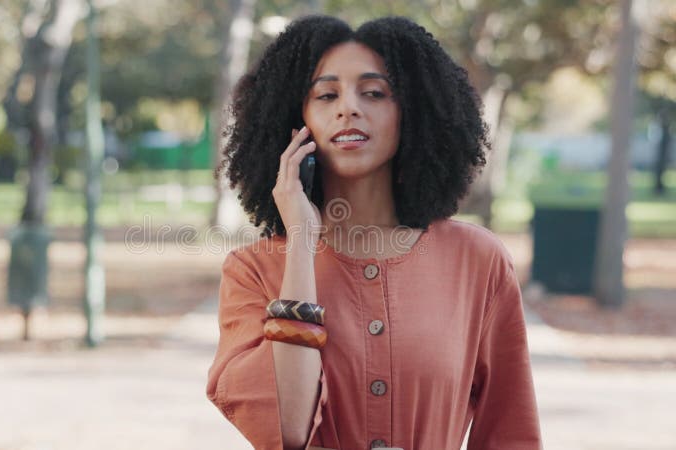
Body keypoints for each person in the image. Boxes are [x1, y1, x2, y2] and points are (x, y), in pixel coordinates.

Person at [206, 14, 542, 450]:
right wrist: (302, 244)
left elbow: (511, 434)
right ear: (294, 122)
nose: (349, 108)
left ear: (412, 113)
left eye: (374, 93)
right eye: (327, 95)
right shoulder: (253, 271)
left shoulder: (477, 260)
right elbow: (286, 428)